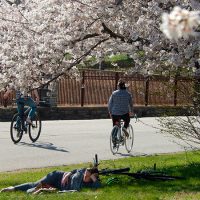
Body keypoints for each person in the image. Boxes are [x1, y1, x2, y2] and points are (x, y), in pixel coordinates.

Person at [0, 167, 100, 194]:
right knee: (35, 184)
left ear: (92, 175)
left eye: (88, 172)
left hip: (58, 187)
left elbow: (98, 187)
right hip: (57, 176)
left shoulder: (89, 185)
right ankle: (12, 188)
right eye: (86, 170)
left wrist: (94, 179)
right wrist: (67, 175)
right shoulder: (81, 171)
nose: (86, 173)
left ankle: (30, 190)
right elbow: (74, 170)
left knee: (38, 189)